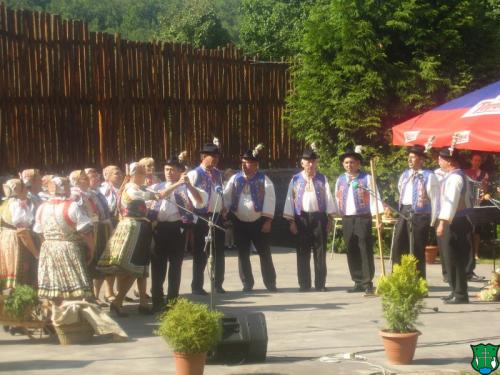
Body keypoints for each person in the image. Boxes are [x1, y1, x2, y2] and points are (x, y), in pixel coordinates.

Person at [98, 163, 168, 316]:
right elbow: (158, 195)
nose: (146, 176)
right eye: (142, 173)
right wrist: (178, 183)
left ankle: (140, 302)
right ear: (134, 174)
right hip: (133, 228)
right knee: (133, 268)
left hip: (138, 227)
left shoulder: (135, 187)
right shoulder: (131, 188)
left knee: (140, 268)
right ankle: (117, 301)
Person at [149, 156, 206, 312]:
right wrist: (175, 185)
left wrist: (188, 185)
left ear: (181, 171)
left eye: (173, 169)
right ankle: (157, 299)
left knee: (175, 266)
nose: (169, 172)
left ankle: (172, 299)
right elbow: (156, 196)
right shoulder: (157, 186)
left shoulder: (187, 187)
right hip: (159, 228)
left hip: (177, 229)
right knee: (157, 266)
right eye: (167, 169)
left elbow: (201, 202)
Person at [224, 146, 278, 293]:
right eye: (243, 162)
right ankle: (247, 283)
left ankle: (270, 282)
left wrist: (267, 221)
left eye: (247, 162)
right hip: (239, 221)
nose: (244, 165)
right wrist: (225, 211)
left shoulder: (264, 180)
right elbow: (227, 196)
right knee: (242, 254)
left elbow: (270, 200)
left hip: (259, 222)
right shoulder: (235, 179)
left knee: (264, 253)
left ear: (255, 165)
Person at [34, 177, 94, 303]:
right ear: (63, 188)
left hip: (48, 248)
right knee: (74, 286)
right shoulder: (71, 206)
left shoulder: (42, 207)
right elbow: (85, 230)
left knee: (54, 285)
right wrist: (91, 248)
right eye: (67, 185)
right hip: (68, 247)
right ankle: (72, 316)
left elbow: (39, 231)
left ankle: (55, 315)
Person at [283, 148, 336, 292]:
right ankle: (304, 284)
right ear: (302, 163)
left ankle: (320, 284)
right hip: (301, 218)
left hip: (319, 218)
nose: (311, 165)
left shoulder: (322, 178)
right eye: (308, 162)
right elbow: (289, 200)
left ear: (316, 163)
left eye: (313, 162)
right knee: (302, 252)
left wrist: (330, 218)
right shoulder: (295, 179)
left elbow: (328, 198)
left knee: (320, 251)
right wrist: (291, 221)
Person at [334, 147, 383, 296]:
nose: (349, 165)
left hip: (362, 217)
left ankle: (367, 282)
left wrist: (377, 217)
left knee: (364, 248)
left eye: (352, 162)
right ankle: (357, 281)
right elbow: (336, 197)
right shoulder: (340, 179)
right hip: (347, 218)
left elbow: (375, 197)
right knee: (351, 248)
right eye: (346, 162)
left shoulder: (366, 178)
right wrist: (334, 215)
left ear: (358, 164)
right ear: (343, 164)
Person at [391, 145, 439, 278]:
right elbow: (401, 189)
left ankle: (418, 281)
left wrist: (434, 220)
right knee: (399, 245)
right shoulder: (405, 174)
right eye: (409, 157)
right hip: (404, 211)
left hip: (420, 213)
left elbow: (435, 199)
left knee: (417, 248)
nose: (410, 160)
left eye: (413, 157)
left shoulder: (429, 176)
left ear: (421, 159)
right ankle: (399, 278)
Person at [187, 140, 226, 294]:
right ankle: (197, 286)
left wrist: (223, 205)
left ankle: (218, 284)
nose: (215, 159)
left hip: (216, 215)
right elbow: (189, 195)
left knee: (219, 251)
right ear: (203, 156)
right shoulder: (195, 173)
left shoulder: (218, 174)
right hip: (201, 216)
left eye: (217, 157)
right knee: (200, 251)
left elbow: (219, 191)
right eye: (212, 156)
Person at [436, 148, 473, 304]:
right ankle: (454, 290)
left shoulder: (455, 178)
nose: (439, 162)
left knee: (456, 258)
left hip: (455, 222)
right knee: (449, 257)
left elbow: (451, 202)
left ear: (449, 161)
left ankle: (460, 294)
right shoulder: (451, 177)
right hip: (453, 221)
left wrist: (443, 223)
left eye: (440, 159)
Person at [0, 179, 39, 290]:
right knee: (22, 269)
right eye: (25, 188)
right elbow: (22, 231)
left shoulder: (4, 203)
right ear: (18, 190)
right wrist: (35, 252)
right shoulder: (17, 205)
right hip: (16, 240)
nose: (27, 190)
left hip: (4, 238)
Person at [465, 152, 489, 263]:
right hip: (466, 205)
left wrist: (482, 190)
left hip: (478, 204)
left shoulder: (484, 174)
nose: (477, 162)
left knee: (476, 231)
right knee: (466, 230)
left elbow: (485, 189)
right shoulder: (465, 173)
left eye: (479, 160)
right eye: (475, 160)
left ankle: (475, 253)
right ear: (471, 161)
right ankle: (466, 252)